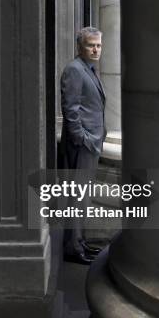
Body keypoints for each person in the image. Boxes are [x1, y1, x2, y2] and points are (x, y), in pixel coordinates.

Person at [60, 27, 106, 264]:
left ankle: (79, 241)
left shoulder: (89, 69)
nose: (96, 49)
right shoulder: (74, 70)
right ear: (80, 47)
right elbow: (70, 110)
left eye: (98, 45)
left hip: (90, 143)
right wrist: (84, 140)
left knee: (83, 197)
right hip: (82, 145)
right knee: (77, 197)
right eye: (91, 45)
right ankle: (72, 248)